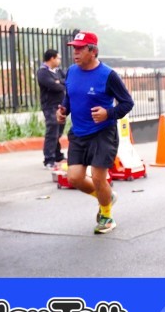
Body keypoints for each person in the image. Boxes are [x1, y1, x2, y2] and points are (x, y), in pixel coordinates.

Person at [57, 31, 135, 234]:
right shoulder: (71, 71)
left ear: (93, 51)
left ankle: (107, 216)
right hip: (79, 133)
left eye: (80, 49)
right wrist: (64, 110)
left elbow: (127, 103)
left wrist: (108, 113)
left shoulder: (108, 75)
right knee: (74, 178)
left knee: (99, 178)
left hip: (102, 133)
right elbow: (70, 97)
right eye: (74, 48)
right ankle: (107, 196)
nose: (75, 52)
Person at [37, 49, 66, 171]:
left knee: (58, 131)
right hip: (50, 106)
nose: (60, 60)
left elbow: (67, 81)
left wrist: (60, 82)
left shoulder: (58, 71)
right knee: (52, 130)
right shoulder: (42, 72)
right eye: (58, 58)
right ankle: (49, 159)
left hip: (61, 105)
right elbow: (54, 86)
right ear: (52, 58)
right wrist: (59, 83)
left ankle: (57, 155)